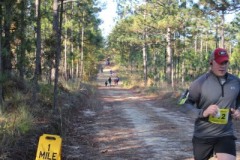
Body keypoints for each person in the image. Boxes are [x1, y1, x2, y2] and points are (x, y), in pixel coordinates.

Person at [183, 48, 240, 160]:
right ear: (211, 62)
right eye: (219, 62)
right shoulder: (199, 82)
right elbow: (183, 103)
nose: (222, 66)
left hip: (225, 133)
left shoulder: (236, 82)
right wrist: (203, 112)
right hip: (203, 134)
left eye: (225, 62)